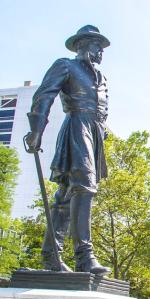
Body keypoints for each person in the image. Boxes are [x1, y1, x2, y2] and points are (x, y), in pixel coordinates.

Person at [25, 25, 111, 275]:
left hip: (94, 133)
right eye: (96, 47)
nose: (99, 53)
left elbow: (104, 110)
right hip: (76, 127)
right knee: (84, 186)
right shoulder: (66, 65)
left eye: (102, 49)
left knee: (65, 196)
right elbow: (44, 95)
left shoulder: (102, 78)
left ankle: (51, 255)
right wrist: (36, 130)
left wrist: (102, 132)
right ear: (81, 45)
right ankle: (84, 257)